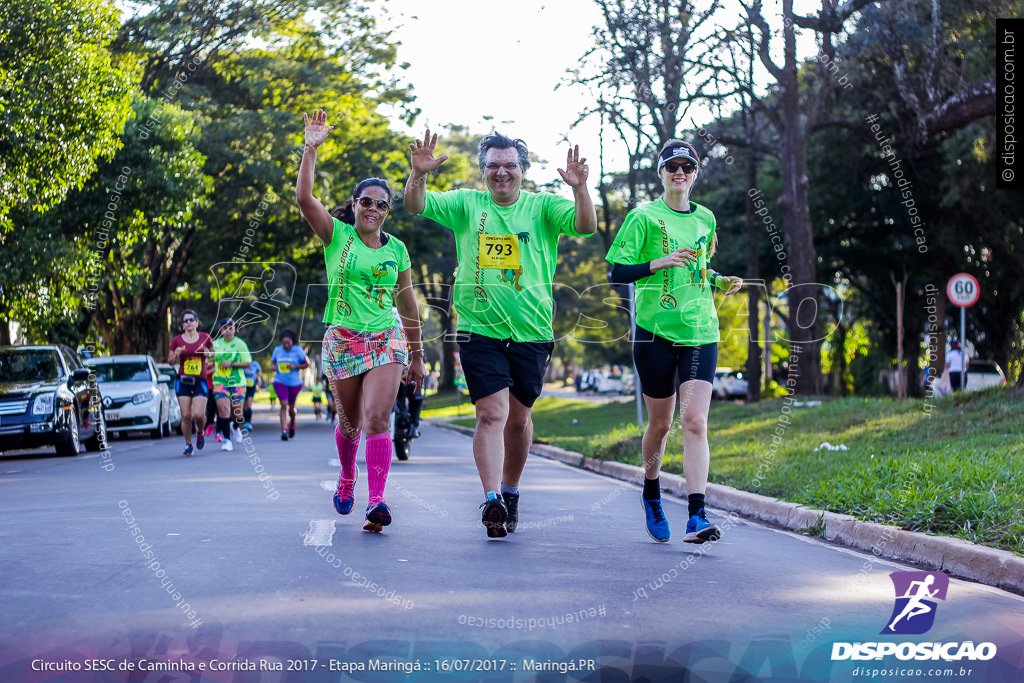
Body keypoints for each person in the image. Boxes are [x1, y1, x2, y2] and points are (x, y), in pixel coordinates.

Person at [404, 129, 597, 538]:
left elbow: (585, 226)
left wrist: (581, 189)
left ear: (523, 170)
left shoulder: (543, 207)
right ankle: (491, 498)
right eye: (493, 166)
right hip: (478, 328)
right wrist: (418, 175)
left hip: (532, 331)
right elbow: (414, 205)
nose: (502, 172)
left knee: (519, 420)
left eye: (510, 165)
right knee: (492, 414)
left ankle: (510, 492)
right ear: (483, 171)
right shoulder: (466, 204)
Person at [606, 140, 742, 544]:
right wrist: (657, 263)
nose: (679, 172)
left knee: (695, 422)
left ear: (696, 173)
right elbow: (616, 272)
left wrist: (718, 280)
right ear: (661, 173)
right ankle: (651, 492)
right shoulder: (642, 217)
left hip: (701, 331)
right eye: (672, 166)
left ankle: (697, 515)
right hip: (654, 333)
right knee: (661, 424)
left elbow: (698, 264)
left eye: (687, 166)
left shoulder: (706, 218)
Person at [296, 108, 425, 533]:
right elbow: (304, 199)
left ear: (388, 211)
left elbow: (408, 306)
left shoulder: (398, 250)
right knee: (349, 423)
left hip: (386, 338)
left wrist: (418, 357)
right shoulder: (337, 235)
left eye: (381, 205)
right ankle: (348, 477)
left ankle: (377, 500)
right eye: (366, 202)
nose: (372, 208)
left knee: (376, 418)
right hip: (342, 339)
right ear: (354, 204)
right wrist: (310, 149)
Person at [167, 309, 214, 456]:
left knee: (198, 415)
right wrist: (176, 354)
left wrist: (208, 354)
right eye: (185, 321)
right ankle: (188, 444)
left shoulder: (205, 338)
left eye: (191, 320)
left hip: (200, 380)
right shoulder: (177, 340)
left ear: (197, 322)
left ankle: (200, 431)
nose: (188, 323)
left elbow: (213, 353)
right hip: (183, 380)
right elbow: (169, 361)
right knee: (186, 415)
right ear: (182, 325)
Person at [211, 318, 253, 451]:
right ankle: (227, 440)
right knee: (224, 410)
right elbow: (208, 357)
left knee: (238, 414)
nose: (228, 331)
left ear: (235, 329)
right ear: (221, 330)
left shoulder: (240, 344)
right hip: (220, 381)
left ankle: (235, 427)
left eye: (230, 328)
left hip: (237, 382)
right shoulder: (216, 344)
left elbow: (248, 363)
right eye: (225, 328)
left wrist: (232, 364)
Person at [271, 329, 310, 440]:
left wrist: (295, 367)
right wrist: (273, 367)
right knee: (284, 404)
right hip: (279, 381)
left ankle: (292, 422)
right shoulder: (277, 350)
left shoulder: (298, 350)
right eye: (284, 343)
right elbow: (272, 364)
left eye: (288, 343)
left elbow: (307, 364)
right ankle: (284, 430)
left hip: (295, 383)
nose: (286, 345)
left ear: (292, 341)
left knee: (291, 408)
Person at [243, 359, 262, 431]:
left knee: (248, 405)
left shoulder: (255, 363)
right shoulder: (242, 363)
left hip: (251, 386)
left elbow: (259, 371)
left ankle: (248, 423)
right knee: (244, 406)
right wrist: (244, 372)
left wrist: (258, 377)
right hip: (243, 387)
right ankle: (245, 422)